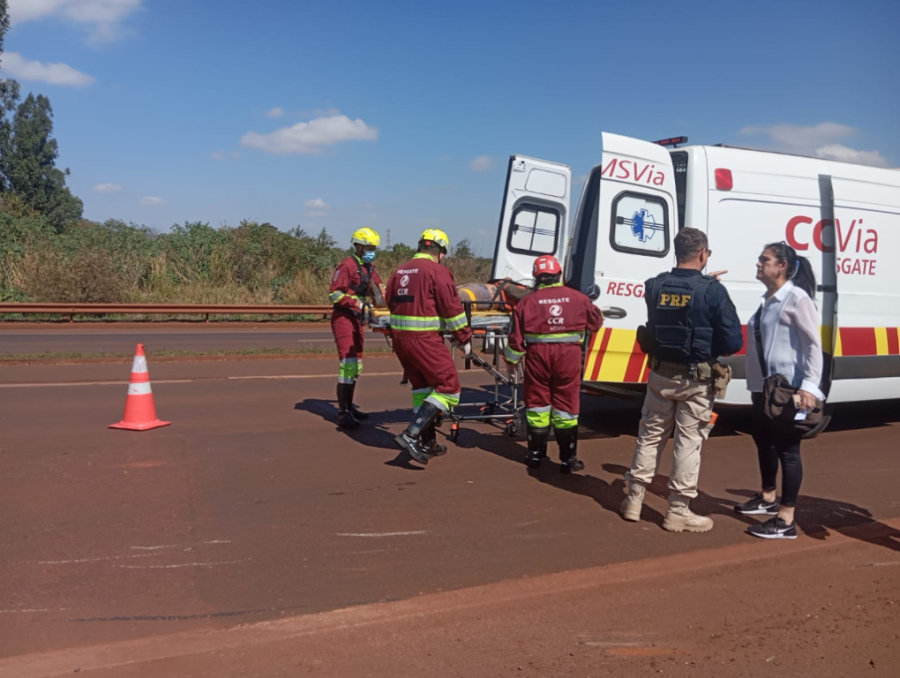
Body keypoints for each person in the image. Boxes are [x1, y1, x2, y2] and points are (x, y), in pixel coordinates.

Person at [620, 227, 743, 532]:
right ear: (703, 254)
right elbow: (732, 342)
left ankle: (633, 500)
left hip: (660, 374)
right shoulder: (712, 291)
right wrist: (710, 290)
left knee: (649, 436)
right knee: (688, 443)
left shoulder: (654, 285)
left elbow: (665, 317)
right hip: (696, 380)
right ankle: (677, 511)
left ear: (677, 252)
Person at [734, 241, 825, 540]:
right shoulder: (769, 299)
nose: (759, 264)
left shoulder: (797, 299)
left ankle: (786, 519)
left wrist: (810, 386)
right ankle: (767, 498)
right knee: (763, 441)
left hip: (788, 390)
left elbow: (813, 345)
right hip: (764, 389)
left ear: (782, 266)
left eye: (765, 260)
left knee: (788, 451)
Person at [503, 255, 603, 473]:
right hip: (569, 360)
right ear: (559, 274)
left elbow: (516, 340)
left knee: (537, 406)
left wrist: (511, 361)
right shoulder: (578, 298)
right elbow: (595, 323)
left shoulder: (526, 302)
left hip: (538, 359)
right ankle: (568, 460)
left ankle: (535, 455)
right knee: (566, 408)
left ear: (537, 278)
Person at [387, 229, 472, 465]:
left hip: (401, 340)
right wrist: (464, 338)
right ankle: (410, 435)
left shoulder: (400, 270)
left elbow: (389, 301)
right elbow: (452, 308)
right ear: (441, 253)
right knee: (449, 389)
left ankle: (428, 441)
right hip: (424, 340)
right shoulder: (438, 271)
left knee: (422, 389)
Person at [328, 227, 384, 429]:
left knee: (356, 365)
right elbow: (334, 294)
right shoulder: (347, 266)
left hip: (357, 319)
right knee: (348, 364)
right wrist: (357, 304)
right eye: (369, 247)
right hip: (344, 318)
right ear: (358, 246)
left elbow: (378, 290)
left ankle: (350, 407)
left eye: (373, 248)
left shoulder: (369, 268)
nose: (372, 251)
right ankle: (343, 414)